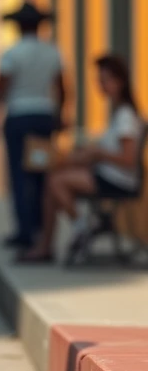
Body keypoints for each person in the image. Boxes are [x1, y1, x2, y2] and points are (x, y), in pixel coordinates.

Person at [19, 54, 143, 263]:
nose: (100, 86)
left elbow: (129, 159)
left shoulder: (126, 117)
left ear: (119, 81)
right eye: (99, 80)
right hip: (106, 175)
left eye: (105, 80)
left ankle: (80, 226)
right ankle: (45, 246)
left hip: (117, 181)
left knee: (55, 181)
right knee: (53, 181)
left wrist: (98, 153)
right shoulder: (118, 114)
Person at [0, 2, 65, 251]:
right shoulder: (52, 52)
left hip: (18, 119)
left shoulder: (12, 53)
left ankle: (24, 231)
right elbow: (62, 88)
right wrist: (59, 115)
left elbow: (0, 90)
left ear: (18, 26)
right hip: (43, 118)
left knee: (19, 175)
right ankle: (39, 227)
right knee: (40, 172)